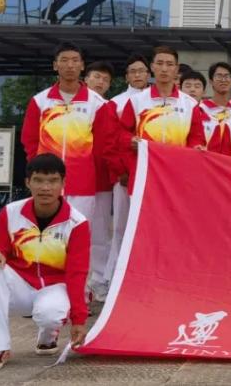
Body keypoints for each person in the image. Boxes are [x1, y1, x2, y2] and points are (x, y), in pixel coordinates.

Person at [0, 155, 90, 371]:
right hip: (19, 285)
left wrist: (79, 320)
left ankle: (48, 335)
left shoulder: (77, 222)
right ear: (28, 182)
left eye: (53, 181)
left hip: (54, 286)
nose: (45, 188)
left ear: (63, 183)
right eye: (38, 180)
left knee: (51, 315)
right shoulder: (11, 212)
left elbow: (77, 273)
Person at [21, 42, 109, 225]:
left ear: (82, 66)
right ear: (55, 65)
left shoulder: (97, 104)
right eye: (64, 60)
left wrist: (93, 176)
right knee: (48, 230)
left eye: (75, 60)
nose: (70, 65)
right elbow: (29, 140)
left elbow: (102, 147)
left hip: (82, 183)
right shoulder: (40, 101)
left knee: (79, 230)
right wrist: (38, 169)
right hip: (47, 182)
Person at [92, 53, 149, 302]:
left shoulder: (155, 102)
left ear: (148, 74)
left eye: (141, 71)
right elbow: (109, 142)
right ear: (126, 76)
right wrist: (120, 172)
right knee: (121, 229)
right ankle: (109, 280)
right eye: (133, 71)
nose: (138, 75)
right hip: (125, 178)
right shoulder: (115, 104)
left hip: (152, 178)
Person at [119, 46, 205, 160]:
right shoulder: (136, 100)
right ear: (152, 66)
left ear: (176, 69)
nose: (164, 69)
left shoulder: (190, 104)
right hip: (146, 164)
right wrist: (130, 140)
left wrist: (196, 146)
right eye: (159, 63)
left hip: (178, 164)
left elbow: (196, 137)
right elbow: (122, 132)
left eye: (169, 64)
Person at [83, 60, 114, 299]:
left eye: (105, 79)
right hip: (73, 178)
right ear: (86, 78)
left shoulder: (108, 107)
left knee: (100, 233)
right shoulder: (69, 104)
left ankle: (99, 281)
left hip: (101, 179)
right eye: (96, 77)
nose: (100, 82)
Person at [198, 62, 231, 153]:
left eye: (227, 76)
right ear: (211, 81)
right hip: (208, 156)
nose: (223, 80)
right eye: (219, 76)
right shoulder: (201, 109)